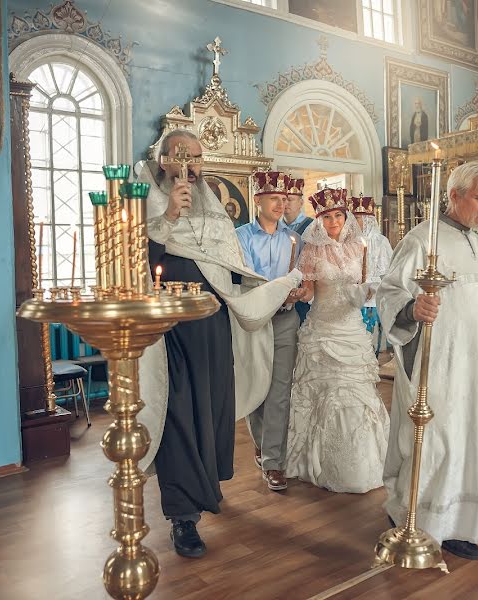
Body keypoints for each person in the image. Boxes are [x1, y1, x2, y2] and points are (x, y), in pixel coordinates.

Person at [136, 129, 303, 559]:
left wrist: (256, 289)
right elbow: (132, 256)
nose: (188, 164)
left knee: (209, 411)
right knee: (177, 414)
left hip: (211, 323)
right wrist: (168, 217)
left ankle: (204, 488)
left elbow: (228, 260)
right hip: (168, 327)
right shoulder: (142, 194)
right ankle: (182, 517)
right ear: (163, 157)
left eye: (195, 156)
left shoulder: (210, 200)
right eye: (180, 155)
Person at [377, 161, 478, 561]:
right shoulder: (420, 240)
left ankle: (457, 524)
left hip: (473, 369)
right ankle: (417, 517)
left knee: (465, 443)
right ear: (454, 195)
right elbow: (387, 293)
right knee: (436, 443)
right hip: (436, 364)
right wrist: (413, 309)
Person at [284, 188, 390, 493]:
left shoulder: (360, 247)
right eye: (327, 216)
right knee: (325, 391)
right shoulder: (311, 250)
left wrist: (370, 290)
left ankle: (364, 461)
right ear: (319, 219)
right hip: (322, 329)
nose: (333, 222)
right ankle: (321, 462)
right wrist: (294, 293)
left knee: (356, 392)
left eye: (338, 215)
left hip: (351, 328)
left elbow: (364, 286)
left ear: (347, 217)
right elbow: (308, 291)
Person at [235, 171, 303, 492]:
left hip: (286, 320)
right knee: (256, 387)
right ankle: (262, 444)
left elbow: (299, 278)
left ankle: (274, 461)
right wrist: (278, 290)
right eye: (274, 197)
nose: (281, 203)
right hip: (254, 321)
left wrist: (298, 291)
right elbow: (249, 279)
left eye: (284, 198)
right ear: (258, 199)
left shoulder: (295, 239)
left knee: (279, 390)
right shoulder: (242, 237)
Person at [351, 195, 393, 355]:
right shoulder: (348, 242)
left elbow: (387, 273)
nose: (356, 222)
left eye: (360, 218)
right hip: (353, 295)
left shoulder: (381, 241)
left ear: (369, 220)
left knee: (371, 338)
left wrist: (374, 289)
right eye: (354, 218)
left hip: (373, 297)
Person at [283, 177, 313, 322]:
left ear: (301, 202)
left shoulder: (312, 226)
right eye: (283, 199)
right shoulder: (276, 226)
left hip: (303, 289)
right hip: (281, 289)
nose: (285, 203)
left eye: (290, 199)